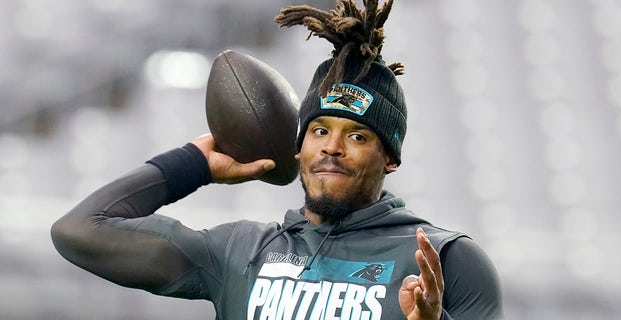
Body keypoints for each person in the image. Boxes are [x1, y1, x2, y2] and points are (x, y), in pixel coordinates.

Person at [51, 0, 503, 319]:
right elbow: (78, 230)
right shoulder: (239, 252)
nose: (332, 147)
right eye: (320, 130)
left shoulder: (444, 259)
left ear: (390, 158)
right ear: (299, 145)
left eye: (358, 135)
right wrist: (195, 164)